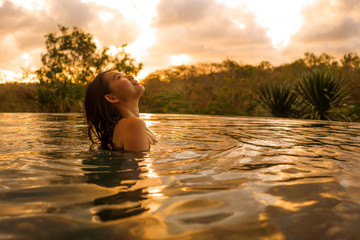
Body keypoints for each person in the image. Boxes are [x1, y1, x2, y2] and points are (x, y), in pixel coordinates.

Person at [84, 70, 157, 151]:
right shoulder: (133, 124)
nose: (130, 76)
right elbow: (139, 162)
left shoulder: (127, 126)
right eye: (119, 77)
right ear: (112, 98)